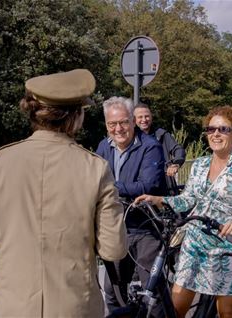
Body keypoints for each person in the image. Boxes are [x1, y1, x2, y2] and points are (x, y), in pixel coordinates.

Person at [0, 69, 127, 317]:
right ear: (75, 116)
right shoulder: (95, 167)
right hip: (75, 305)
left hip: (14, 304)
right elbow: (113, 248)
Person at [136, 105, 232, 318]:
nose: (216, 134)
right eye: (211, 129)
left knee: (227, 312)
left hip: (226, 244)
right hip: (195, 243)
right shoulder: (200, 165)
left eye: (223, 129)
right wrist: (158, 200)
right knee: (176, 309)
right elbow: (188, 199)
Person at [95, 96, 167, 315]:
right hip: (115, 226)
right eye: (112, 124)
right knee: (113, 290)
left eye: (123, 122)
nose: (118, 129)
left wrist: (109, 186)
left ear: (133, 121)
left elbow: (148, 185)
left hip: (144, 227)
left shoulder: (150, 147)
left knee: (153, 292)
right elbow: (94, 178)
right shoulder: (103, 146)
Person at [133, 103, 186, 195]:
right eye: (140, 117)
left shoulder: (162, 135)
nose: (144, 120)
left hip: (164, 185)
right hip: (140, 186)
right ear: (134, 120)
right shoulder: (129, 138)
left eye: (147, 116)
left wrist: (176, 164)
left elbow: (178, 149)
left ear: (151, 117)